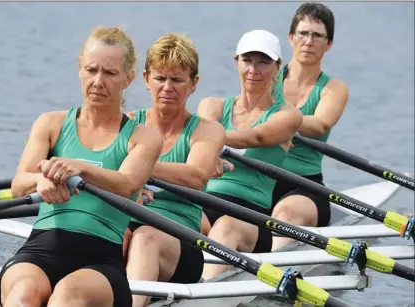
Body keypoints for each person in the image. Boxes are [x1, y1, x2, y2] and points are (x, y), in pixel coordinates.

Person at [0, 26, 163, 307]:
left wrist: (80, 168)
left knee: (67, 297)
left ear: (128, 78)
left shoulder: (143, 138)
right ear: (79, 69)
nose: (98, 81)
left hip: (101, 261)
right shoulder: (50, 123)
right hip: (40, 249)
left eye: (109, 73)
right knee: (23, 296)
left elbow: (128, 184)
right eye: (91, 70)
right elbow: (18, 184)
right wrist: (40, 182)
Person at [124, 33, 226, 307]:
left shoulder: (207, 131)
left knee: (145, 237)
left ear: (193, 84)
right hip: (129, 226)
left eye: (177, 80)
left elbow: (196, 176)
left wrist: (140, 167)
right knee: (113, 233)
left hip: (182, 242)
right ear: (146, 79)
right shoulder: (129, 124)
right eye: (160, 78)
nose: (167, 87)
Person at [197, 29, 303, 280]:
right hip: (204, 205)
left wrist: (211, 141)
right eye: (247, 61)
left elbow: (256, 137)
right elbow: (199, 136)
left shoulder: (288, 116)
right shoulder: (212, 105)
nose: (253, 69)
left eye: (263, 62)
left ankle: (201, 293)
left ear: (278, 67)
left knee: (225, 226)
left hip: (251, 220)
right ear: (237, 63)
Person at [270, 2, 349, 250]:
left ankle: (264, 278)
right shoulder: (266, 78)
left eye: (318, 36)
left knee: (284, 216)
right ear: (291, 37)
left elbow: (319, 124)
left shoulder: (333, 89)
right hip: (259, 178)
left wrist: (279, 121)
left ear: (329, 44)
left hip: (304, 186)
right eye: (303, 33)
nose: (309, 41)